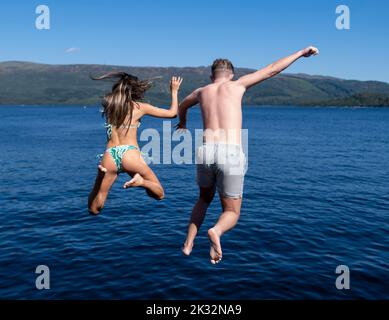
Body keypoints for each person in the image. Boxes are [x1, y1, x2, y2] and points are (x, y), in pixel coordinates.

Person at [177, 46, 319, 264]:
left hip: (205, 151)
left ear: (211, 76)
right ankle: (216, 231)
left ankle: (188, 244)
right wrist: (301, 53)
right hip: (230, 152)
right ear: (231, 74)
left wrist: (183, 123)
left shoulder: (200, 92)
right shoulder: (238, 85)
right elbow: (272, 69)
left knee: (203, 199)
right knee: (232, 212)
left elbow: (183, 106)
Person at [88, 72, 183, 214]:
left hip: (109, 155)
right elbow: (172, 113)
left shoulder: (109, 105)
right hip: (130, 154)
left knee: (93, 209)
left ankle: (99, 177)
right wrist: (174, 92)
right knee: (159, 193)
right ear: (134, 90)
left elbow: (94, 210)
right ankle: (141, 182)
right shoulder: (139, 107)